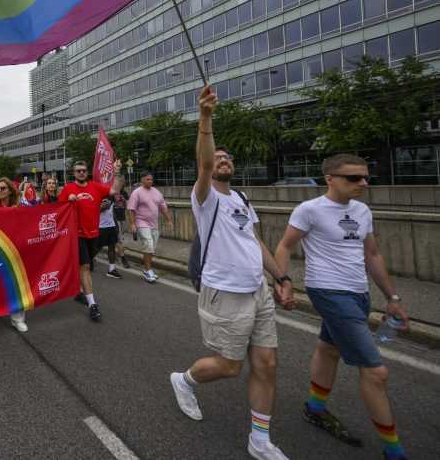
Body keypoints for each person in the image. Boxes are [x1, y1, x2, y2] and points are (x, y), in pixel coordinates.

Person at [169, 86, 293, 460]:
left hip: (256, 290)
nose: (223, 160)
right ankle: (185, 380)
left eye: (228, 158)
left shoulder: (240, 199)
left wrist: (281, 278)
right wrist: (205, 119)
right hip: (224, 292)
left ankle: (260, 440)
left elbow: (254, 241)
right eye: (218, 156)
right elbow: (204, 163)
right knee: (229, 366)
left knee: (267, 363)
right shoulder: (204, 197)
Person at [275, 154, 409, 460]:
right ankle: (394, 451)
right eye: (353, 178)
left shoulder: (362, 210)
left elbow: (372, 255)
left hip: (358, 293)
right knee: (376, 372)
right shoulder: (310, 210)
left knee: (329, 349)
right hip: (328, 290)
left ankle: (315, 408)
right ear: (330, 179)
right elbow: (285, 246)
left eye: (365, 177)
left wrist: (393, 298)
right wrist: (283, 281)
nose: (362, 183)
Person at [58, 160, 123, 321]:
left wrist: (116, 172)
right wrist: (69, 200)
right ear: (74, 173)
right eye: (78, 171)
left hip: (94, 234)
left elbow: (115, 190)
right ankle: (93, 305)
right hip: (76, 234)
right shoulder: (68, 189)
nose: (81, 173)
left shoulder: (95, 186)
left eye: (84, 170)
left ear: (87, 172)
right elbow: (58, 211)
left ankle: (79, 290)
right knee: (85, 266)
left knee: (86, 264)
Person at [0, 178, 28, 333]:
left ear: (10, 190)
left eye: (3, 188)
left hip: (16, 249)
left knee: (17, 285)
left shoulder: (20, 206)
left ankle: (17, 318)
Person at [127, 172, 174, 283]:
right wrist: (132, 224)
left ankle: (147, 269)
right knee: (148, 245)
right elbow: (131, 209)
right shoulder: (136, 193)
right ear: (142, 180)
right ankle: (148, 270)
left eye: (151, 179)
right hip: (141, 222)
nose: (150, 181)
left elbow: (163, 207)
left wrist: (169, 220)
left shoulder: (156, 192)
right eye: (147, 179)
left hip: (154, 224)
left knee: (151, 249)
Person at [96, 196, 122, 279]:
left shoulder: (111, 197)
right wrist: (103, 206)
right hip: (100, 227)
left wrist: (116, 226)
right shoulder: (97, 195)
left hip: (111, 227)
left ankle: (111, 269)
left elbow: (112, 212)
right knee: (96, 248)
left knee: (112, 247)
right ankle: (86, 263)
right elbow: (95, 210)